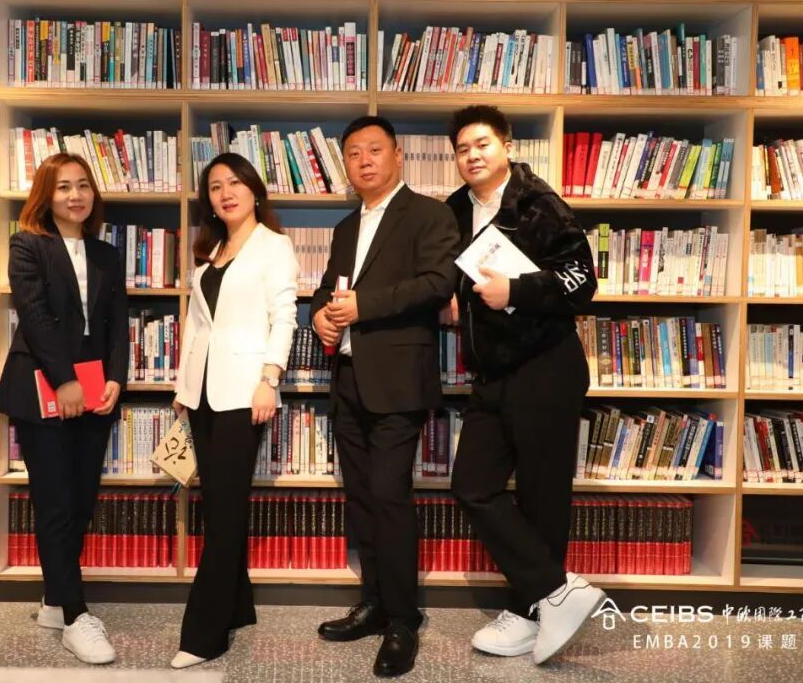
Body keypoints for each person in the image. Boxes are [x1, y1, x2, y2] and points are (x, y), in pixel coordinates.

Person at [443, 105, 603, 665]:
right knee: (472, 484)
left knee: (542, 497)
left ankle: (530, 610)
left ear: (506, 146)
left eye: (482, 144)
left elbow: (581, 281)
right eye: (462, 149)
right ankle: (555, 591)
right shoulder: (455, 209)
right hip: (493, 373)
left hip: (546, 367)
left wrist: (515, 291)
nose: (472, 156)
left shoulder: (539, 204)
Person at [311, 116, 460, 678]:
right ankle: (372, 602)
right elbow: (327, 288)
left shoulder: (429, 214)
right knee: (361, 498)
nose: (365, 160)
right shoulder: (346, 227)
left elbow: (438, 282)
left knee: (389, 495)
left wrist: (363, 306)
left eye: (375, 150)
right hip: (349, 377)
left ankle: (402, 618)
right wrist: (320, 314)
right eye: (354, 153)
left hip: (398, 380)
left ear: (398, 156)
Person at [0, 153, 128, 665]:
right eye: (64, 186)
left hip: (96, 393)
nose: (76, 195)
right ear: (46, 196)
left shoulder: (107, 254)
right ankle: (75, 616)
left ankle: (55, 601)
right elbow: (35, 317)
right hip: (42, 388)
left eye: (84, 185)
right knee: (54, 502)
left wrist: (115, 377)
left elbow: (118, 323)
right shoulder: (28, 245)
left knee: (80, 502)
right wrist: (66, 380)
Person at [170, 152, 298, 669]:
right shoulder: (212, 249)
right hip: (202, 393)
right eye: (215, 186)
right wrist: (183, 386)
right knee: (218, 505)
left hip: (245, 393)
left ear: (254, 190)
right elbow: (197, 325)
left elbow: (284, 316)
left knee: (224, 513)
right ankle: (238, 606)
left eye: (234, 182)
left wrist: (270, 378)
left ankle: (205, 635)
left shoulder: (274, 246)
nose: (225, 193)